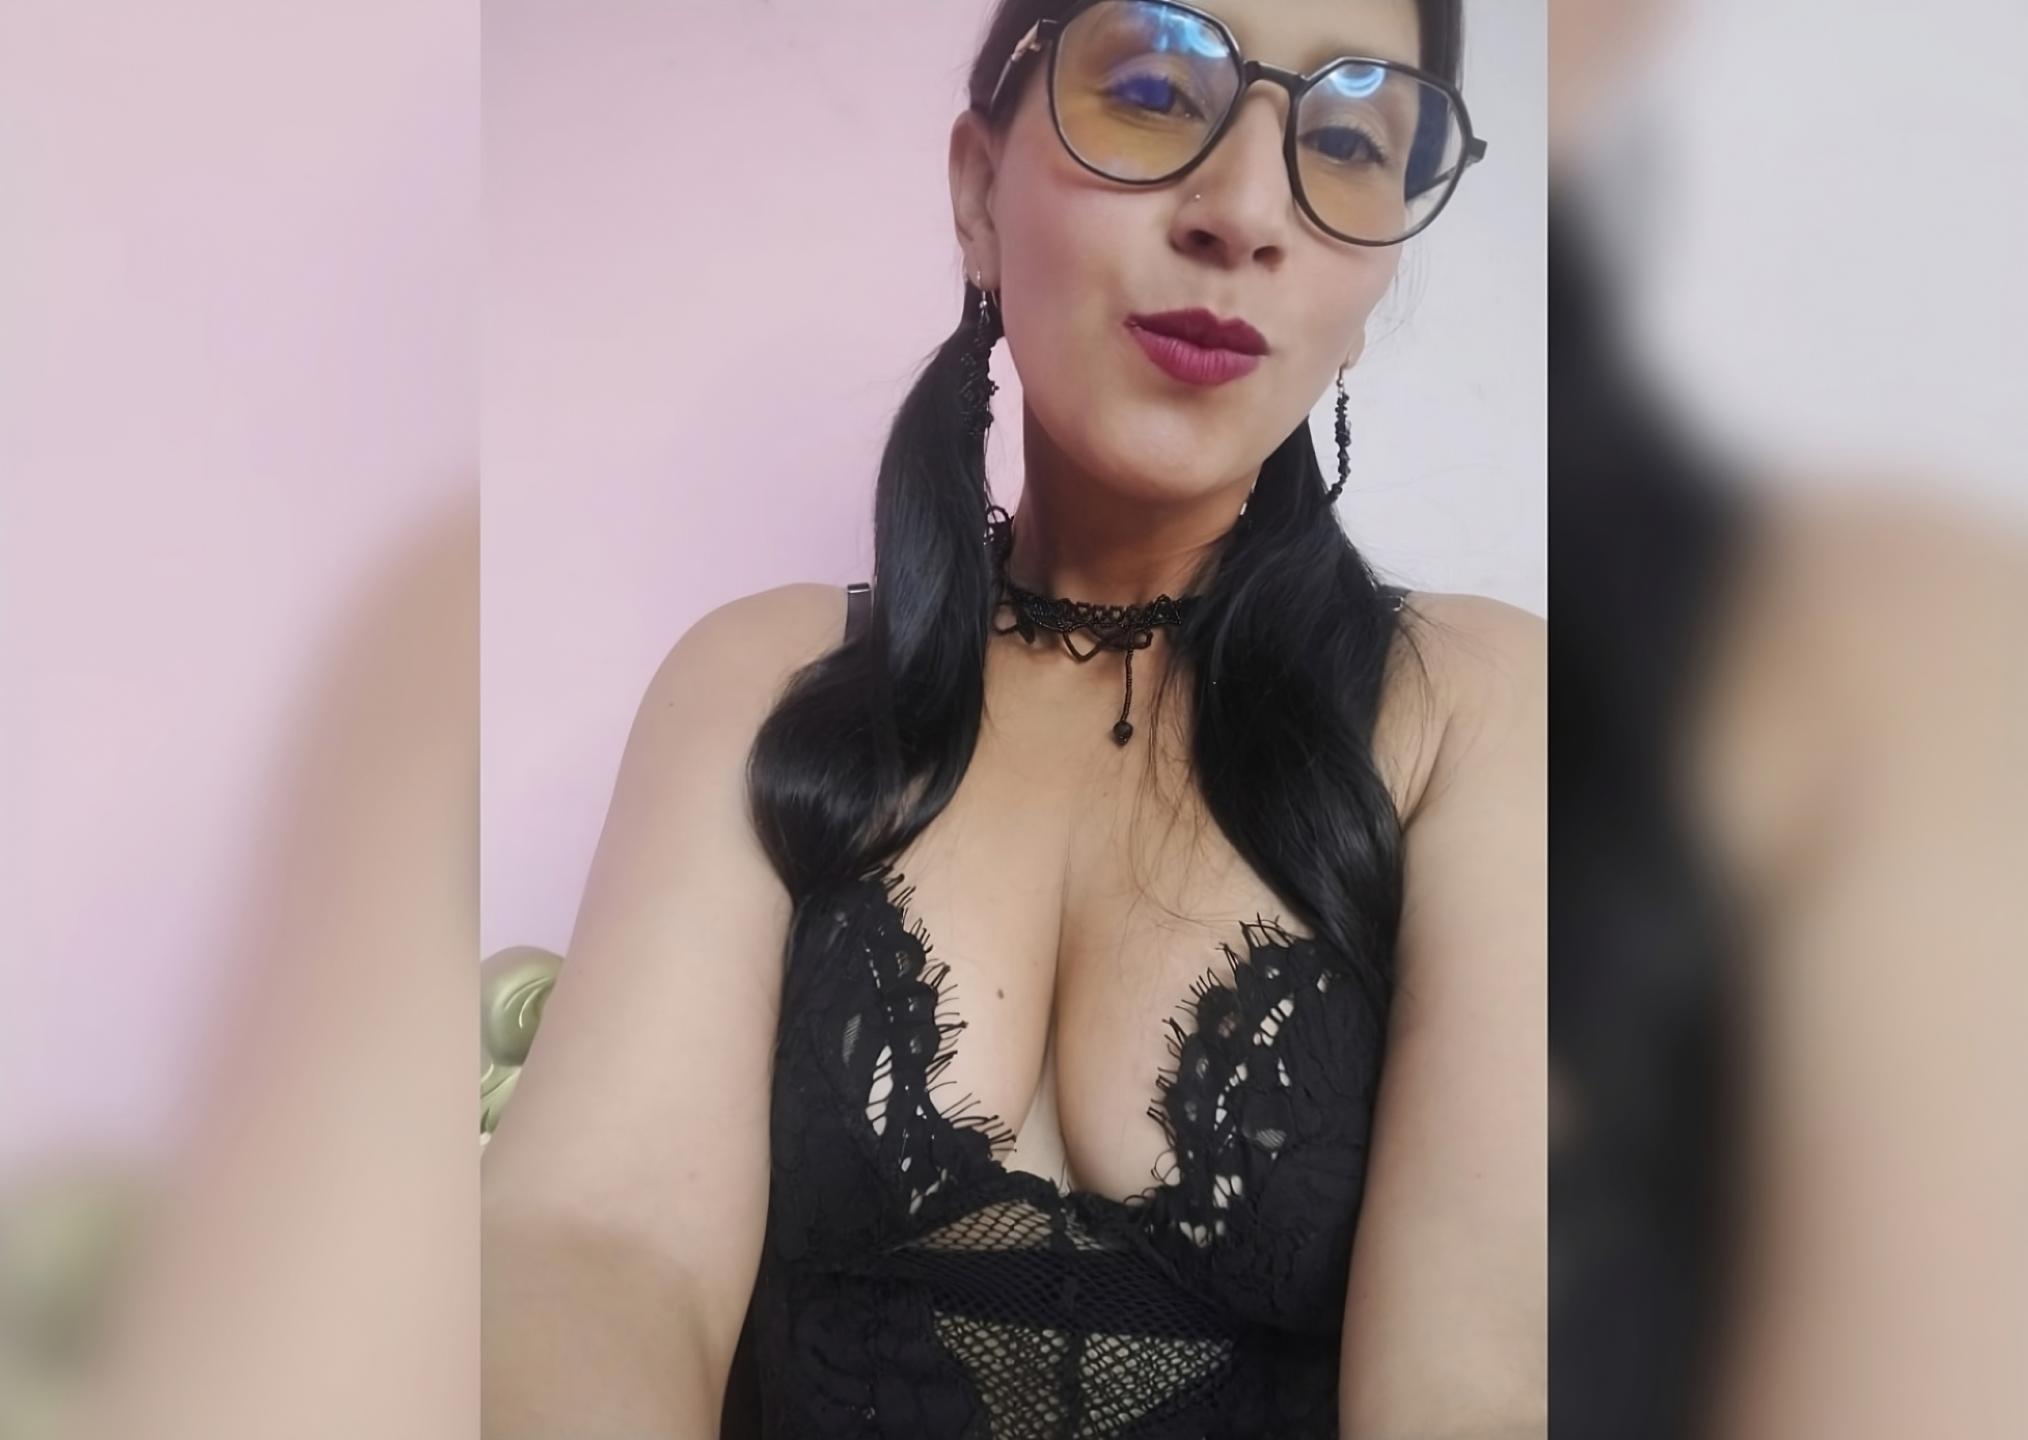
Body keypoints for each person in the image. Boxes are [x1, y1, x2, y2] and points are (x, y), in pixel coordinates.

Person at [482, 1, 1544, 1436]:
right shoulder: (764, 687)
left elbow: (1486, 1370)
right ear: (981, 191)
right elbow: (598, 1255)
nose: (1244, 212)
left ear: (1377, 279)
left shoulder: (1473, 716)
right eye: (1157, 91)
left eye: (1350, 142)